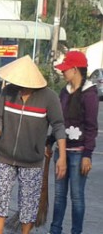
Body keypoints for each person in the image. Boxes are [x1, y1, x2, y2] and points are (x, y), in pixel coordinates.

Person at [0, 55, 67, 234]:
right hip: (5, 156)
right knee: (1, 197)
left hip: (32, 161)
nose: (19, 87)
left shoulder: (49, 98)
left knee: (28, 204)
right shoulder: (8, 93)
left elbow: (59, 126)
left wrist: (62, 156)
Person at [47, 51, 99, 234]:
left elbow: (92, 127)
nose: (63, 73)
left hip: (78, 153)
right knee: (59, 196)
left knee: (77, 197)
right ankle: (55, 230)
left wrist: (87, 155)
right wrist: (49, 142)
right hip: (62, 151)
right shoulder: (64, 92)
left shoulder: (90, 94)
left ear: (75, 69)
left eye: (65, 69)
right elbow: (58, 122)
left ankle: (76, 231)